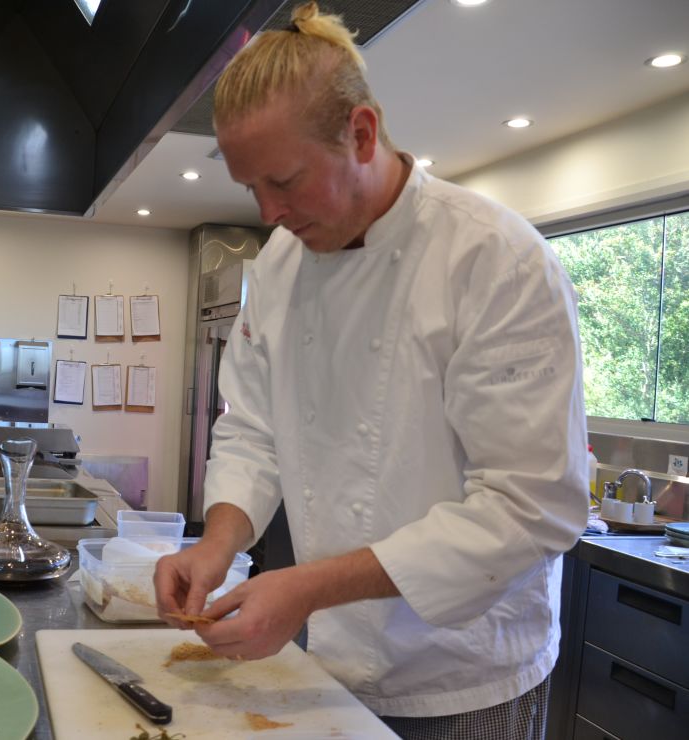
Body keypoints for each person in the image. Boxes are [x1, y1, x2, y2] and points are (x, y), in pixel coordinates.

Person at [152, 3, 589, 738]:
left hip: (463, 677)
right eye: (251, 189)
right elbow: (252, 429)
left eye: (285, 182)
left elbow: (528, 507)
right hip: (327, 660)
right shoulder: (281, 268)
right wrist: (217, 545)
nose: (270, 212)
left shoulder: (495, 260)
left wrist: (306, 588)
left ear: (361, 133)